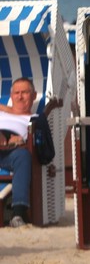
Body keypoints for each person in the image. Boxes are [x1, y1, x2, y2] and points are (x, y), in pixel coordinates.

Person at [0, 77, 56, 228]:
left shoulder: (36, 119)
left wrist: (19, 141)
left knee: (23, 156)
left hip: (10, 154)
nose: (19, 96)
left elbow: (46, 151)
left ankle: (17, 213)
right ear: (11, 96)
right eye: (16, 93)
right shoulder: (2, 112)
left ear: (33, 95)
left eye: (24, 92)